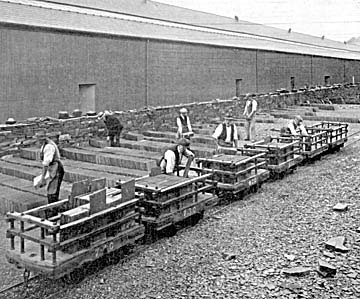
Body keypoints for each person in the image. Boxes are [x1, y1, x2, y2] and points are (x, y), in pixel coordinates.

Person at [38, 133, 65, 204]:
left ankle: (53, 209)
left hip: (56, 168)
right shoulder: (44, 145)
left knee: (53, 190)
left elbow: (46, 163)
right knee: (51, 188)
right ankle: (53, 206)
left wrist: (43, 178)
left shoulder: (49, 146)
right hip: (52, 168)